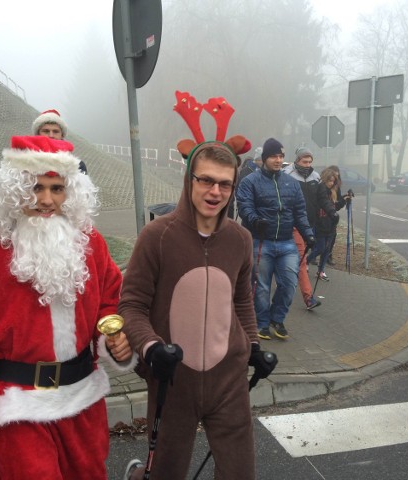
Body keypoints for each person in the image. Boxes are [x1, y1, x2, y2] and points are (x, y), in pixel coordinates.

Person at [0, 136, 135, 479]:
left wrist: (113, 338)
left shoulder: (90, 243)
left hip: (83, 401)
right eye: (35, 187)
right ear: (13, 190)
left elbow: (111, 298)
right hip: (15, 407)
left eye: (57, 188)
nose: (46, 200)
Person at [118, 92, 276, 480]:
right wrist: (151, 348)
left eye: (224, 184)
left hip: (228, 379)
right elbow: (132, 305)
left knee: (241, 475)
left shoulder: (239, 239)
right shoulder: (157, 236)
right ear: (190, 178)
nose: (215, 192)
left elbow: (242, 300)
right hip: (174, 381)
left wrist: (254, 346)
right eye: (206, 180)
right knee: (166, 474)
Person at [236, 137, 315, 340]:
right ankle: (262, 323)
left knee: (289, 284)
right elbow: (244, 207)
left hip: (287, 242)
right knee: (260, 286)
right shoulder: (249, 182)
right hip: (260, 241)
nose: (278, 160)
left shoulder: (291, 183)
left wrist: (308, 234)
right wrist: (255, 220)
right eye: (274, 156)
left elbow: (299, 211)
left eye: (281, 156)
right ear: (264, 158)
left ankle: (277, 319)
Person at [283, 146, 322, 309]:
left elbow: (321, 198)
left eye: (310, 162)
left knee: (300, 261)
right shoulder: (285, 174)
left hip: (303, 226)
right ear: (297, 160)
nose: (307, 165)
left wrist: (332, 211)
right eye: (304, 161)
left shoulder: (315, 177)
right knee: (294, 261)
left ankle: (308, 298)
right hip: (284, 226)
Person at [311, 167, 350, 282]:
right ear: (325, 179)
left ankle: (321, 271)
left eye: (333, 181)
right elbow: (322, 205)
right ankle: (304, 263)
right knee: (320, 248)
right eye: (330, 180)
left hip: (331, 224)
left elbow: (335, 206)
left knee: (327, 250)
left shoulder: (333, 191)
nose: (331, 183)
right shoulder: (320, 189)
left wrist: (344, 199)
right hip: (320, 223)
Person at [33, 108, 88, 174]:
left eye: (55, 131)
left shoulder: (77, 166)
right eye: (46, 131)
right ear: (38, 134)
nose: (51, 135)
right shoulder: (25, 162)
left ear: (62, 135)